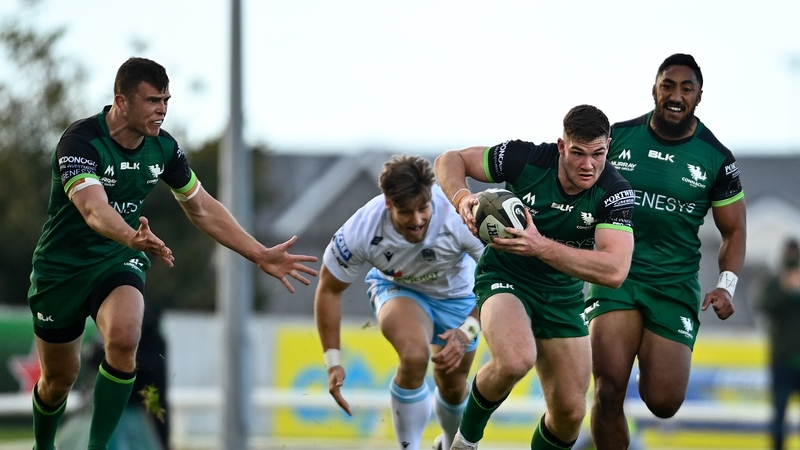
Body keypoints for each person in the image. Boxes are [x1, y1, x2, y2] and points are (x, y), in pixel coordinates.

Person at [27, 57, 318, 450]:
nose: (161, 109)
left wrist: (259, 253)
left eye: (165, 100)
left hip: (117, 259)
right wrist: (132, 235)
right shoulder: (80, 142)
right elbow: (93, 209)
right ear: (121, 101)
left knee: (127, 334)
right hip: (61, 269)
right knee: (57, 380)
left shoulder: (163, 148)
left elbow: (201, 206)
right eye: (151, 100)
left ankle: (97, 447)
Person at [434, 104, 635, 450]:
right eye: (578, 153)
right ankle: (462, 444)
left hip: (563, 296)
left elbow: (615, 270)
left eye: (598, 154)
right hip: (506, 277)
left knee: (570, 413)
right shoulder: (524, 158)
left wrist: (539, 245)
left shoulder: (615, 192)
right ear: (561, 146)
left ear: (608, 149)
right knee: (515, 359)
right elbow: (449, 160)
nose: (588, 165)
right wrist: (462, 198)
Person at [586, 53, 747, 450]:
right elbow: (575, 184)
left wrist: (726, 285)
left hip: (673, 286)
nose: (676, 96)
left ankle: (651, 352)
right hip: (616, 276)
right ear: (654, 90)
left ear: (698, 97)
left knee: (663, 402)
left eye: (686, 88)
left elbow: (735, 229)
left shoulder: (716, 158)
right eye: (668, 86)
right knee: (607, 391)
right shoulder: (616, 138)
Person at [314, 154, 485, 450]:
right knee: (414, 355)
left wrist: (467, 330)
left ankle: (446, 444)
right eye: (407, 212)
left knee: (454, 386)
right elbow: (329, 289)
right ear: (388, 203)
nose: (417, 220)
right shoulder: (361, 230)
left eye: (423, 208)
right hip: (399, 289)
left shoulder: (459, 219)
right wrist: (333, 362)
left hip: (461, 296)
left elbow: (500, 280)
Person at [758, 239, 800, 450]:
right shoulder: (775, 282)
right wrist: (785, 289)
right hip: (782, 359)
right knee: (779, 413)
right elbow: (764, 306)